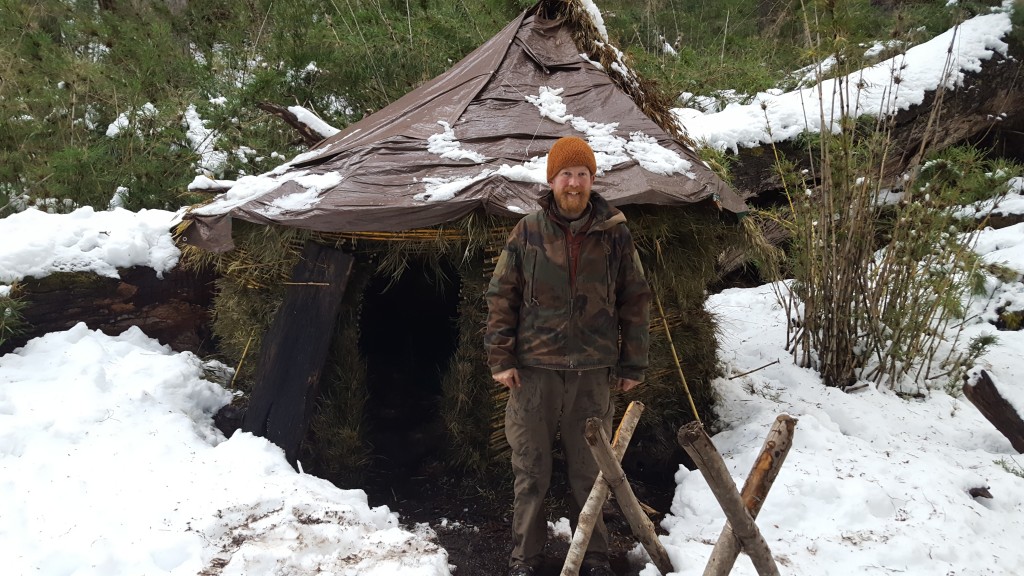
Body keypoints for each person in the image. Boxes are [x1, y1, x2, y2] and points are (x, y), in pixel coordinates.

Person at [485, 136, 652, 576]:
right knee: (531, 471)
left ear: (592, 180)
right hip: (534, 372)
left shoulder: (615, 234)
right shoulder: (528, 231)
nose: (574, 183)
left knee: (592, 471)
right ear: (552, 180)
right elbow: (502, 297)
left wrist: (633, 364)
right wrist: (501, 359)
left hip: (592, 372)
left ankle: (595, 557)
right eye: (566, 174)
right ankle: (526, 558)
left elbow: (635, 299)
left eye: (582, 174)